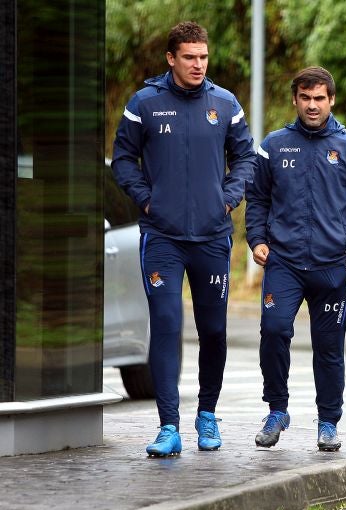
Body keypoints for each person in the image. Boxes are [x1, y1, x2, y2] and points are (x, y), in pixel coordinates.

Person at [111, 21, 255, 456]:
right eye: (189, 57)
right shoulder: (145, 104)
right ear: (171, 58)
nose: (198, 64)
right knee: (167, 324)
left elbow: (245, 158)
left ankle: (207, 414)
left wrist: (228, 199)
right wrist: (146, 201)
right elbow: (123, 159)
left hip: (212, 237)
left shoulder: (225, 104)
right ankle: (168, 426)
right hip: (163, 237)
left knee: (213, 330)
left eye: (203, 57)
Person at [245, 66, 346, 451]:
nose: (312, 105)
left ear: (331, 100)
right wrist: (257, 239)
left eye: (319, 98)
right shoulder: (274, 145)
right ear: (295, 100)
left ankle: (328, 422)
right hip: (284, 264)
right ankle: (277, 410)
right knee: (273, 330)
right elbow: (258, 198)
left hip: (332, 267)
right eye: (305, 98)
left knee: (329, 346)